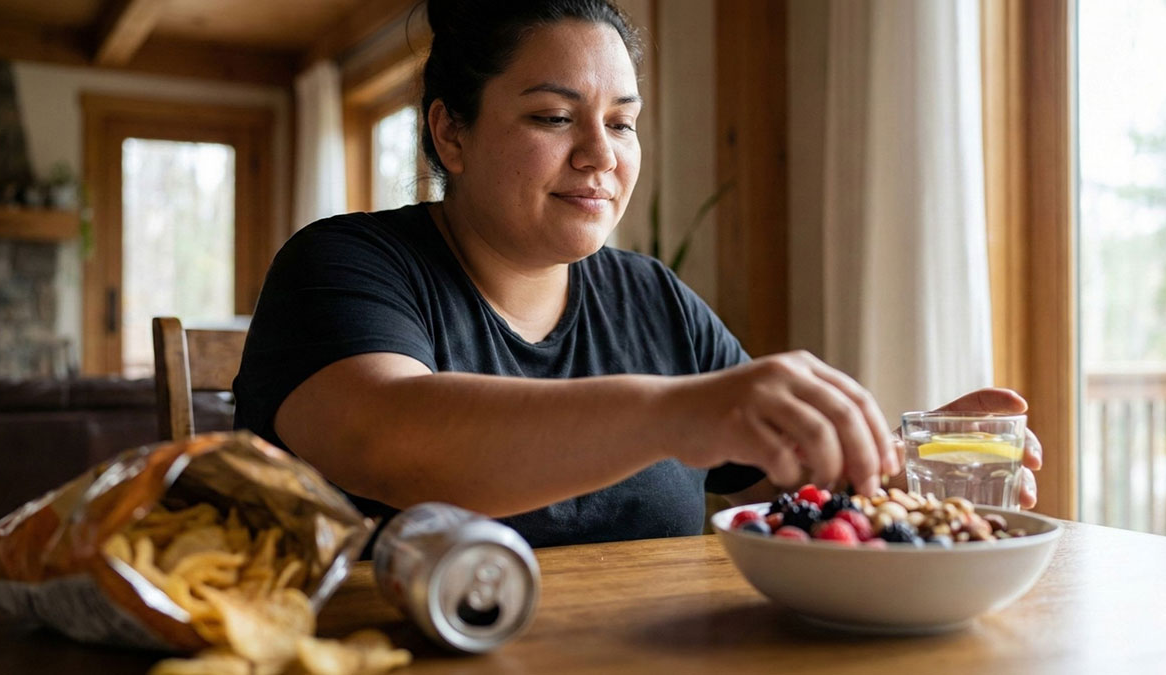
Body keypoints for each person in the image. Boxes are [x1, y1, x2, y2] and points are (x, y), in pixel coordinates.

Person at [233, 0, 1042, 548]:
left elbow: (766, 466)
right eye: (554, 117)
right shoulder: (343, 265)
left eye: (622, 122)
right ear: (450, 133)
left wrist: (889, 455)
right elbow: (387, 438)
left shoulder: (652, 296)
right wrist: (679, 410)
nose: (601, 155)